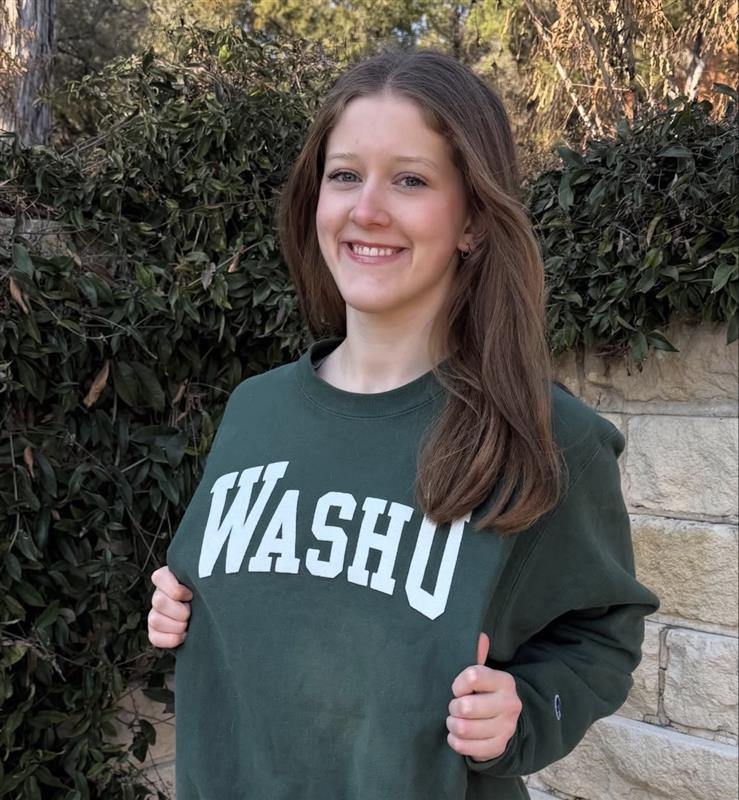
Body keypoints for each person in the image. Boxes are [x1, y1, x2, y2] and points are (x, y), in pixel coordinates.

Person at [147, 49, 659, 800]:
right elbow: (224, 584)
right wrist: (182, 604)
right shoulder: (255, 409)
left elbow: (600, 637)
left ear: (472, 220)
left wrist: (523, 710)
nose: (367, 210)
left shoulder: (547, 437)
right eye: (344, 175)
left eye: (410, 180)